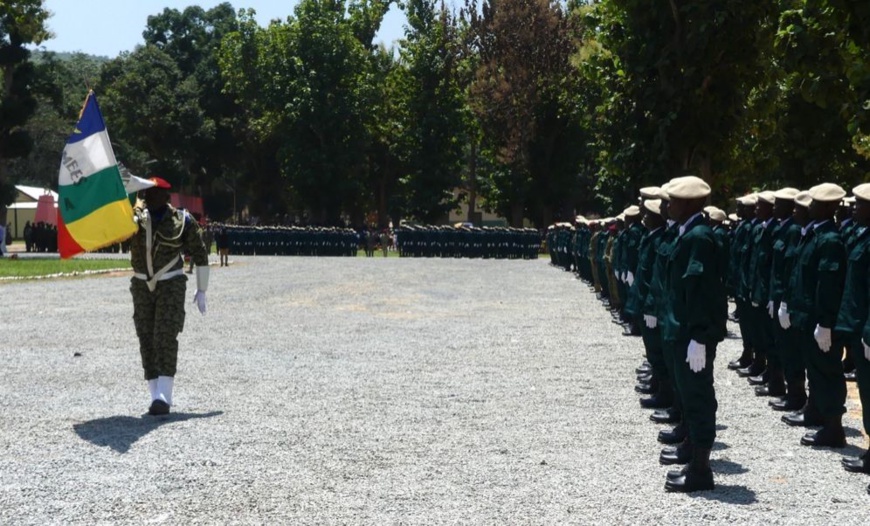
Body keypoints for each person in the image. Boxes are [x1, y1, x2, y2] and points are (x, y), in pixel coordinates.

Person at [660, 175, 727, 493]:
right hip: (683, 332)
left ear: (688, 204)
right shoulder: (688, 233)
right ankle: (693, 454)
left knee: (698, 397)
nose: (668, 205)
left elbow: (700, 291)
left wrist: (700, 337)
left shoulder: (699, 237)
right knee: (688, 393)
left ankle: (701, 470)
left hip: (692, 335)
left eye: (673, 200)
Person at [130, 177, 209, 415]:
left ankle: (165, 394)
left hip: (170, 283)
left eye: (155, 195)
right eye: (146, 194)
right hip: (142, 284)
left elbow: (200, 252)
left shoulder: (182, 221)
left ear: (166, 197)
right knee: (146, 337)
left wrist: (202, 288)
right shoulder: (134, 220)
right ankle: (155, 394)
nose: (149, 198)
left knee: (164, 335)